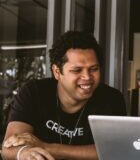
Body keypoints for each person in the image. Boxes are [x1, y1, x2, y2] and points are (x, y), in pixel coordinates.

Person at [1, 31, 127, 160]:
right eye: (77, 70)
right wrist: (23, 153)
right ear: (57, 72)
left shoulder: (111, 99)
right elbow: (9, 147)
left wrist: (46, 147)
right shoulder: (34, 92)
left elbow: (113, 151)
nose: (87, 77)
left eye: (93, 69)